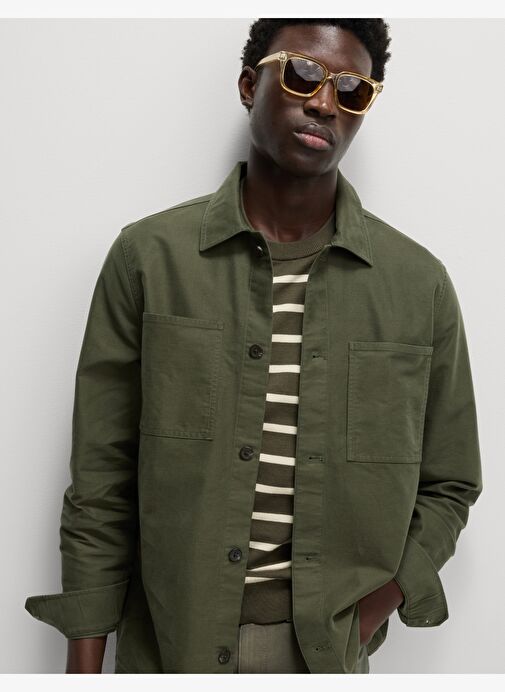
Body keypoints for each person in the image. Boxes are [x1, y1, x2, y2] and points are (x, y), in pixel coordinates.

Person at [24, 18, 483, 674]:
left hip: (321, 656)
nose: (323, 103)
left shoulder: (417, 285)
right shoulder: (150, 259)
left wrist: (371, 609)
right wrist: (83, 669)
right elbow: (101, 479)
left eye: (351, 90)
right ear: (248, 84)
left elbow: (450, 480)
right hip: (169, 648)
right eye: (302, 74)